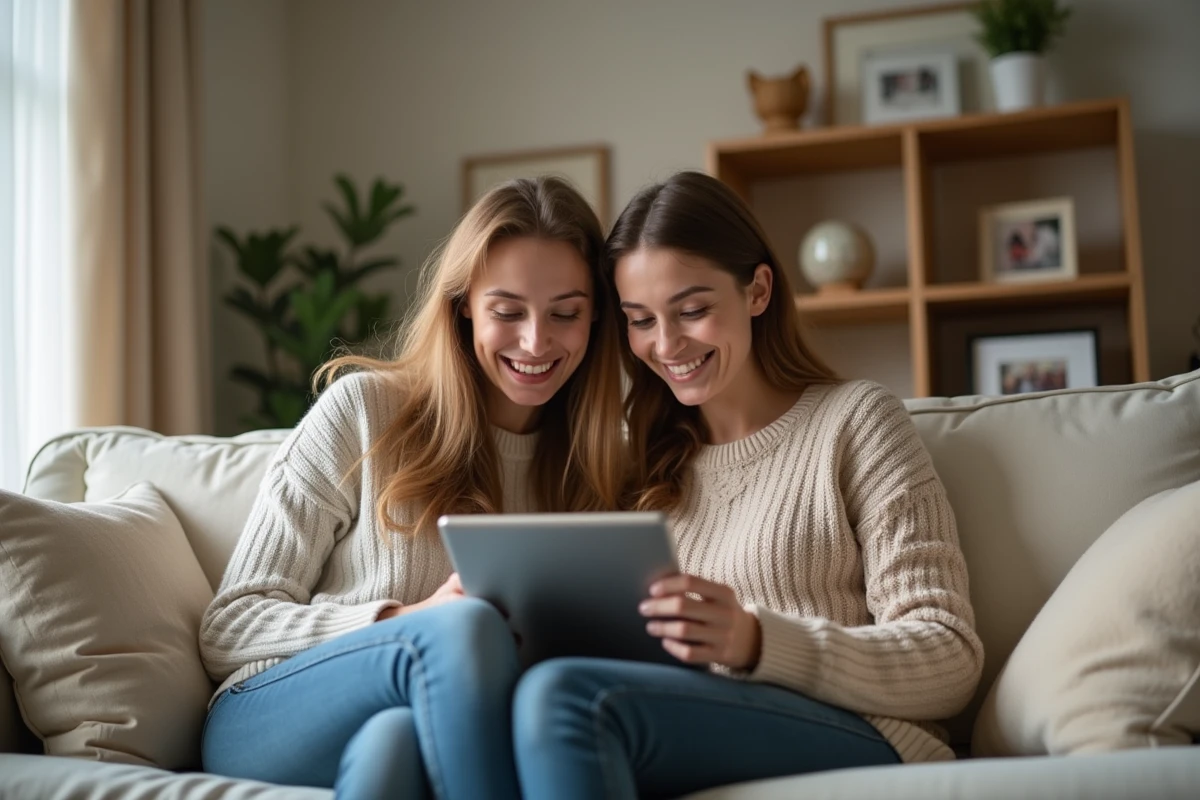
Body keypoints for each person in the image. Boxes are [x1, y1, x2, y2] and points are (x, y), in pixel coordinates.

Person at [511, 171, 984, 799]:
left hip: (865, 734)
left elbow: (949, 657)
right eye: (640, 320)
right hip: (689, 728)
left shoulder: (855, 422)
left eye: (693, 310)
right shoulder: (634, 462)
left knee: (565, 699)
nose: (667, 344)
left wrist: (759, 641)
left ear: (757, 290)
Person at [199, 177, 625, 800]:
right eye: (507, 311)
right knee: (464, 627)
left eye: (565, 313)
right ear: (463, 307)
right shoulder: (365, 412)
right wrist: (407, 620)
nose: (537, 341)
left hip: (415, 726)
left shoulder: (605, 459)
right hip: (268, 713)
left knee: (393, 744)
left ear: (596, 317)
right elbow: (228, 627)